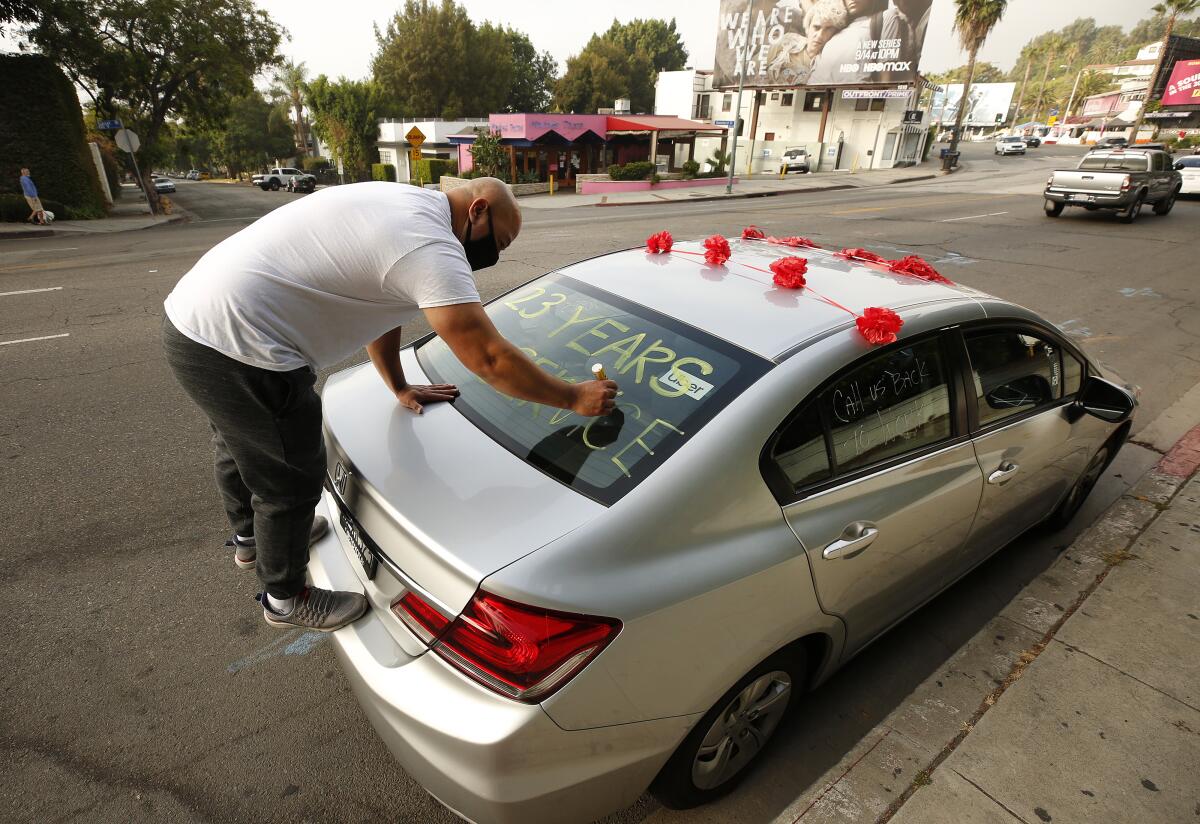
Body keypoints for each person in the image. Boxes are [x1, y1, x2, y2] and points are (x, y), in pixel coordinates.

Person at [162, 177, 618, 633]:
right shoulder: (430, 246)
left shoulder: (407, 205)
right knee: (289, 473)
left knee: (239, 440)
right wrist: (573, 397)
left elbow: (382, 305)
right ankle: (285, 597)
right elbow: (489, 357)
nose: (491, 257)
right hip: (242, 343)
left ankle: (253, 540)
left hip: (193, 320)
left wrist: (399, 386)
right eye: (495, 243)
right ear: (477, 209)